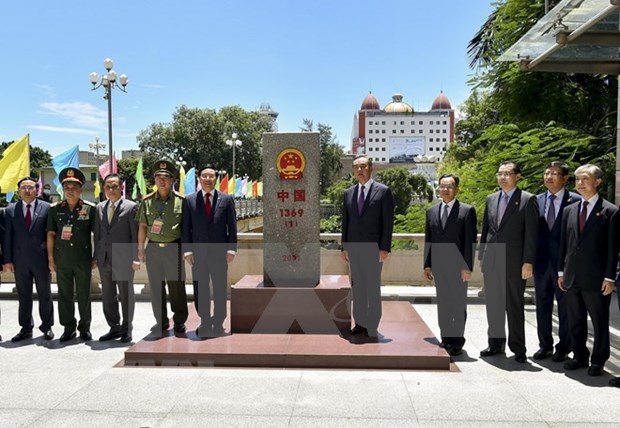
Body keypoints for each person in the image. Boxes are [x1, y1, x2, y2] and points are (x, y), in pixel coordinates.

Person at [558, 164, 619, 377]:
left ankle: (598, 360)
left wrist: (610, 277)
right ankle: (580, 355)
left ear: (598, 181)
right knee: (575, 319)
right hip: (572, 275)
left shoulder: (610, 211)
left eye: (585, 178)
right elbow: (563, 244)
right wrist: (560, 272)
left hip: (597, 277)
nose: (580, 183)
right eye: (577, 179)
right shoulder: (569, 210)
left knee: (599, 320)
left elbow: (613, 249)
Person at [478, 160, 538, 363]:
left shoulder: (528, 200)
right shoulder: (491, 199)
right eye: (499, 173)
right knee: (493, 305)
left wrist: (528, 262)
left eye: (507, 173)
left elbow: (531, 234)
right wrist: (482, 256)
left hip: (515, 262)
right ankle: (495, 344)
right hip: (492, 260)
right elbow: (486, 230)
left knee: (514, 305)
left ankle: (518, 348)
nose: (502, 177)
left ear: (518, 176)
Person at [341, 154, 394, 338]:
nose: (359, 170)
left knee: (372, 287)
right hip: (354, 249)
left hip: (374, 249)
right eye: (356, 167)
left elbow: (387, 223)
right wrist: (344, 247)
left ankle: (373, 324)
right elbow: (345, 223)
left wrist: (384, 248)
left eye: (363, 166)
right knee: (358, 287)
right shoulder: (348, 193)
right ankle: (360, 323)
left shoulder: (383, 191)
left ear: (371, 168)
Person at [424, 174, 477, 356]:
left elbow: (470, 243)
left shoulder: (466, 211)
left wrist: (467, 267)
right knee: (444, 304)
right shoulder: (431, 212)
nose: (445, 189)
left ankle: (457, 340)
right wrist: (427, 265)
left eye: (449, 186)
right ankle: (445, 338)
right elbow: (428, 240)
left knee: (457, 304)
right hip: (439, 267)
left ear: (457, 189)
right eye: (442, 186)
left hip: (458, 268)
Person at [532, 162, 580, 362]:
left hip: (565, 265)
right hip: (541, 264)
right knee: (542, 306)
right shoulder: (536, 200)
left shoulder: (575, 200)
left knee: (565, 308)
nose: (549, 177)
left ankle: (564, 347)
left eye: (554, 174)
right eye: (546, 173)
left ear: (565, 178)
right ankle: (545, 346)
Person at [182, 165, 237, 337]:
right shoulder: (189, 200)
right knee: (200, 288)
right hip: (197, 255)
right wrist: (187, 252)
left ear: (216, 179)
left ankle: (219, 322)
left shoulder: (226, 199)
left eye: (211, 176)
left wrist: (231, 250)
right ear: (199, 178)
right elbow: (186, 228)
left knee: (220, 288)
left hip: (219, 253)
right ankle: (205, 321)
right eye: (204, 176)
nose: (207, 179)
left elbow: (232, 228)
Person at [137, 159, 188, 335]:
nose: (162, 181)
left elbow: (187, 228)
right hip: (153, 248)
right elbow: (142, 225)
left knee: (177, 287)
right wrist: (140, 249)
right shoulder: (147, 201)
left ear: (172, 180)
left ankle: (179, 320)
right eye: (158, 177)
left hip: (174, 247)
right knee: (156, 286)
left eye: (166, 177)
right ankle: (161, 320)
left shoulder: (182, 201)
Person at [47, 168, 96, 342]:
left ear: (81, 190)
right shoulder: (55, 210)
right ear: (63, 190)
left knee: (84, 294)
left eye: (74, 187)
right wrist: (51, 259)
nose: (70, 190)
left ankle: (85, 327)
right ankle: (68, 327)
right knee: (64, 294)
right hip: (62, 259)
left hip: (83, 259)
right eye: (67, 187)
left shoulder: (90, 209)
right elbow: (51, 234)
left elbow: (96, 235)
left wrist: (95, 257)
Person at [3, 177, 54, 341]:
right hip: (20, 260)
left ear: (36, 190)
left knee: (45, 294)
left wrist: (52, 259)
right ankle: (26, 328)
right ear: (18, 191)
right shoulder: (10, 210)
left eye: (31, 187)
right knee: (24, 296)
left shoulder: (47, 208)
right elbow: (7, 237)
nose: (27, 190)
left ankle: (47, 327)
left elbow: (52, 234)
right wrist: (8, 260)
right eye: (24, 187)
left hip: (41, 260)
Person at [94, 173, 139, 343]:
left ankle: (127, 328)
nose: (111, 190)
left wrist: (136, 258)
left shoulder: (131, 207)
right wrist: (95, 257)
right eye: (108, 186)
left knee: (126, 295)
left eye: (114, 186)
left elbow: (135, 235)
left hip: (124, 258)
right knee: (108, 295)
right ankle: (114, 327)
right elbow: (98, 234)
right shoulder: (99, 207)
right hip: (103, 258)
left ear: (121, 187)